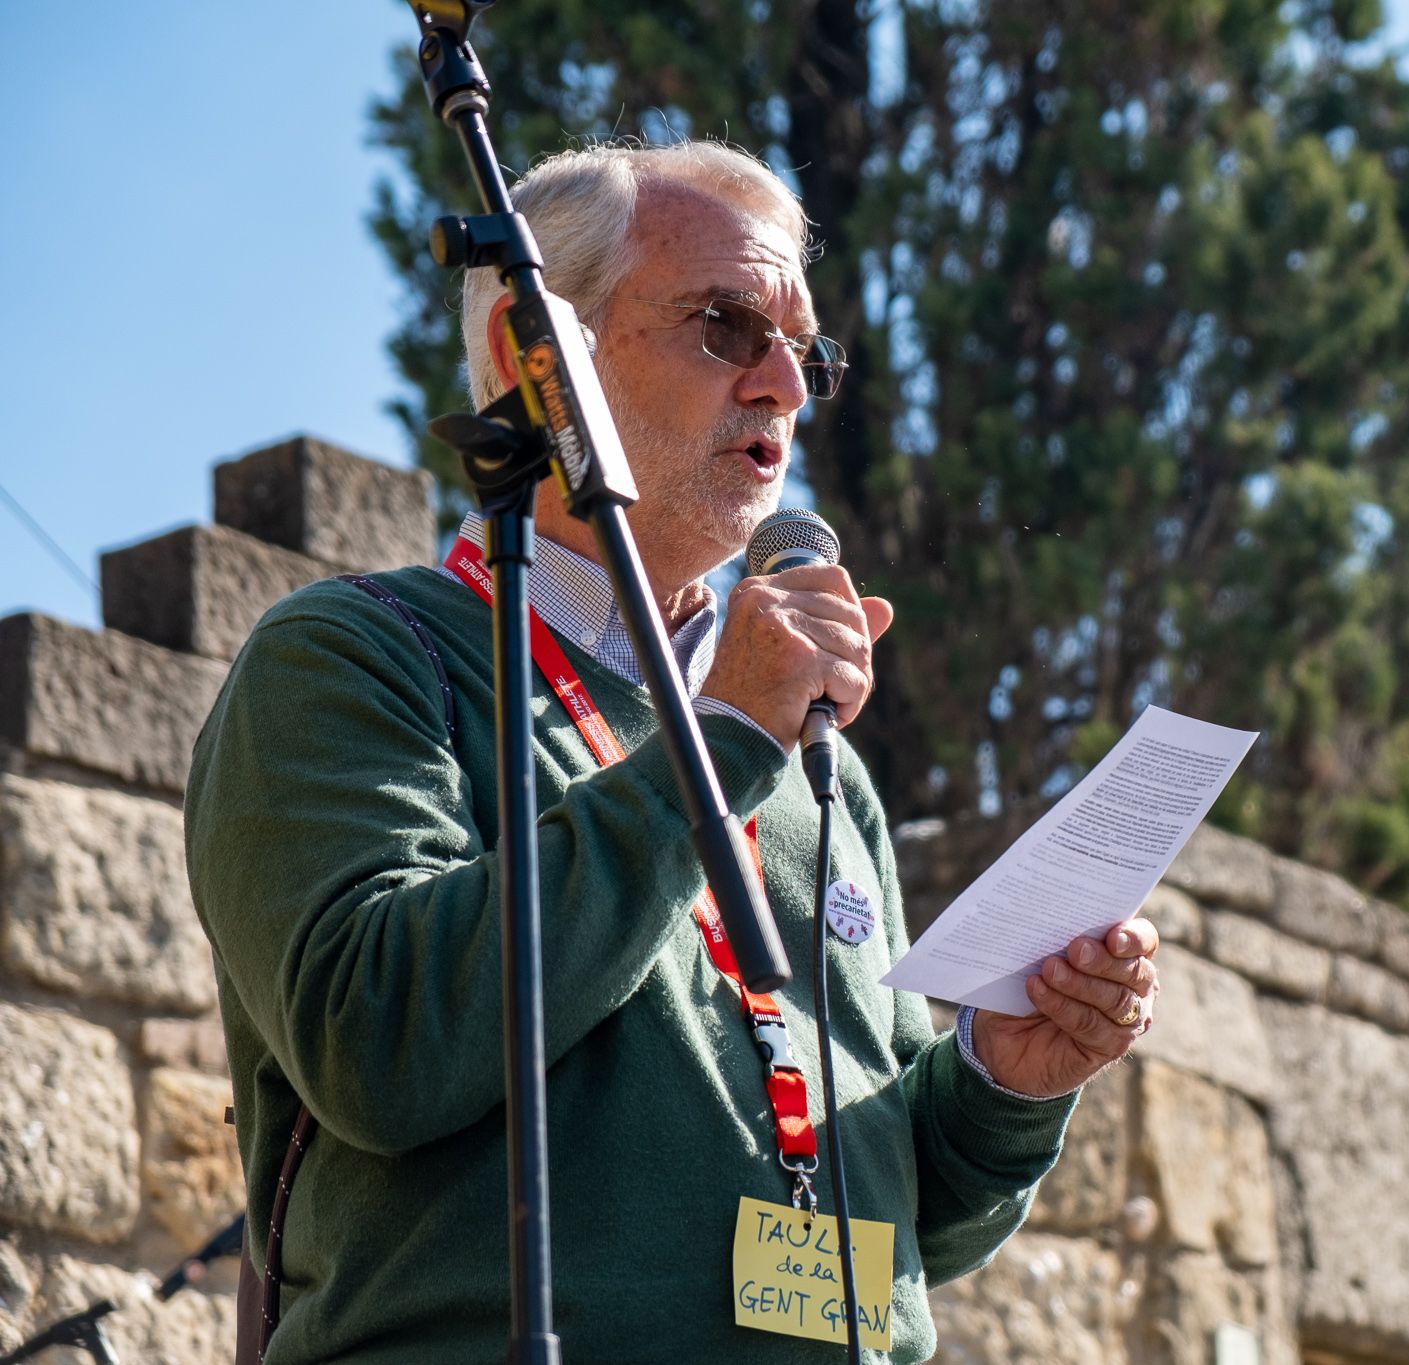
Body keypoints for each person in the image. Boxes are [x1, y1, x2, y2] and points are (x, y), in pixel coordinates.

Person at [185, 141, 1161, 1364]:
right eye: (724, 325)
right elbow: (378, 1043)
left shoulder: (818, 757)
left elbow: (906, 1220)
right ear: (529, 359)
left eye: (803, 349)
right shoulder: (357, 659)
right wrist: (726, 739)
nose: (785, 388)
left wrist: (1005, 1077)